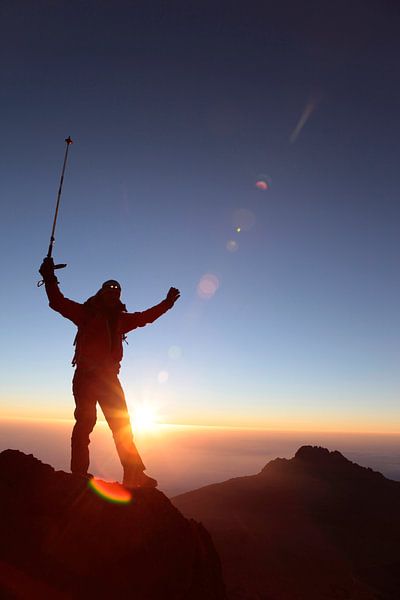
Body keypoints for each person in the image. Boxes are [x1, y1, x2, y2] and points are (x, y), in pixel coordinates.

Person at [39, 257, 180, 488]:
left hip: (108, 380)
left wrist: (166, 304)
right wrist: (49, 277)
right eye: (109, 289)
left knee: (121, 426)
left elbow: (145, 317)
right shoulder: (86, 313)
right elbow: (57, 301)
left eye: (116, 291)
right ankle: (79, 474)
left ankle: (134, 474)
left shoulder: (120, 320)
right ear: (101, 293)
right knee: (86, 422)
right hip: (87, 377)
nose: (113, 293)